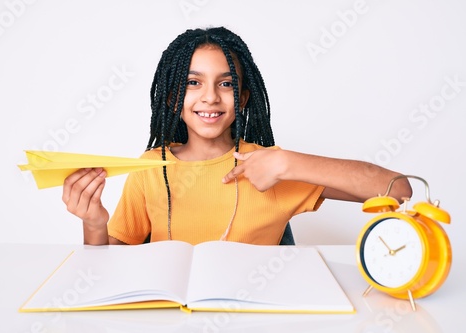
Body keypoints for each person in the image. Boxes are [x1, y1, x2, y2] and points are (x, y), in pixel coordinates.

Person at [62, 27, 412, 246]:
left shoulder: (272, 167)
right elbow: (112, 263)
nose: (211, 97)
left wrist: (287, 162)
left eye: (226, 83)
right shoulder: (152, 167)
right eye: (193, 83)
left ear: (243, 97)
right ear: (172, 98)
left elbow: (398, 190)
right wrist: (94, 224)